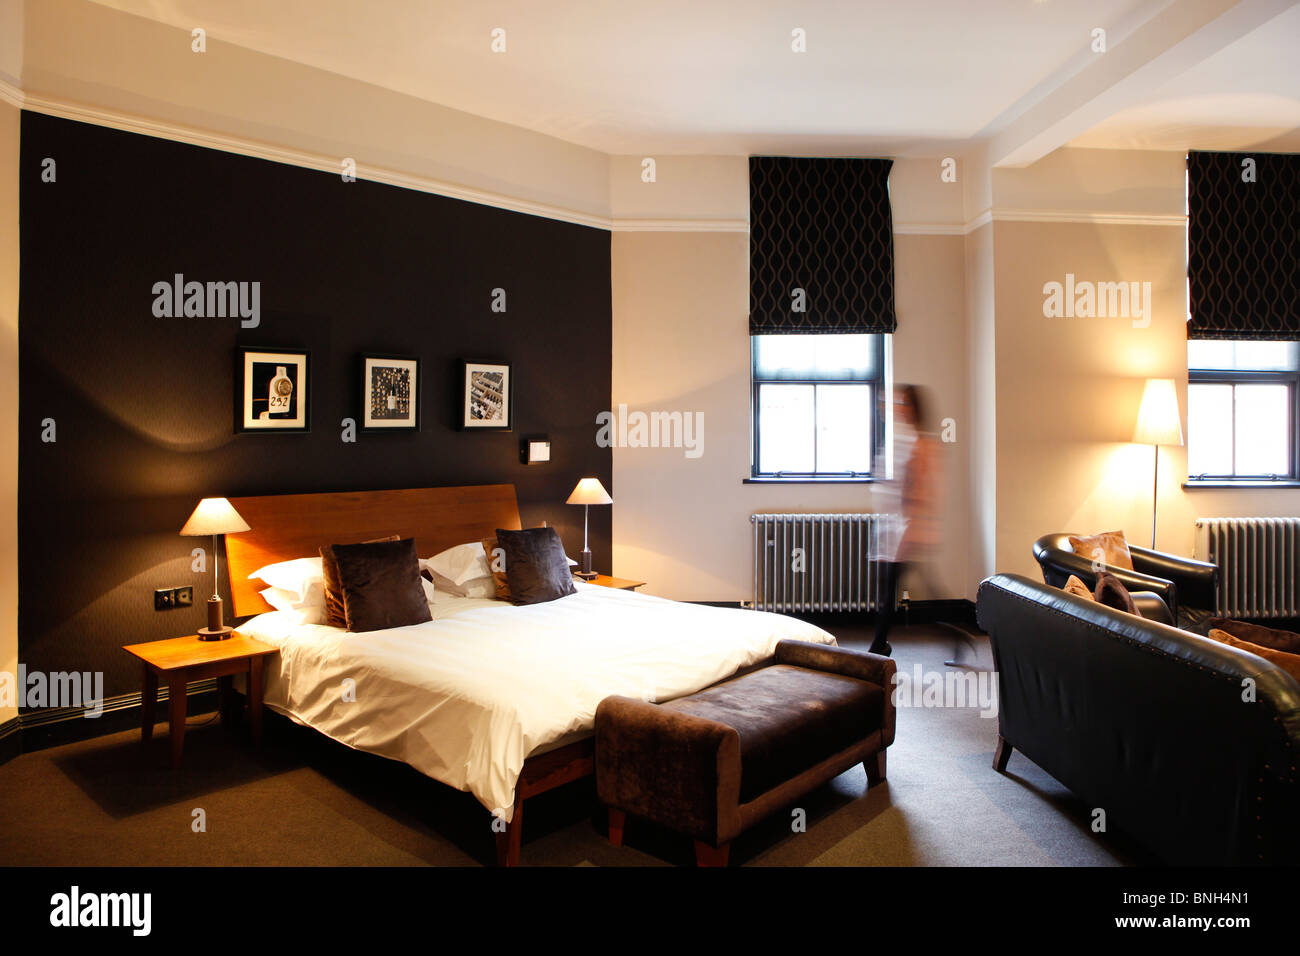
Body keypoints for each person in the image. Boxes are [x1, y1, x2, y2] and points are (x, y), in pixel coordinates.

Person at [869, 384, 942, 657]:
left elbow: (921, 492)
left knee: (889, 589)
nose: (901, 409)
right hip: (898, 528)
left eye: (905, 404)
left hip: (909, 530)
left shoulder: (923, 445)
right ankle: (880, 644)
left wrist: (909, 529)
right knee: (904, 586)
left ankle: (878, 645)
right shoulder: (905, 439)